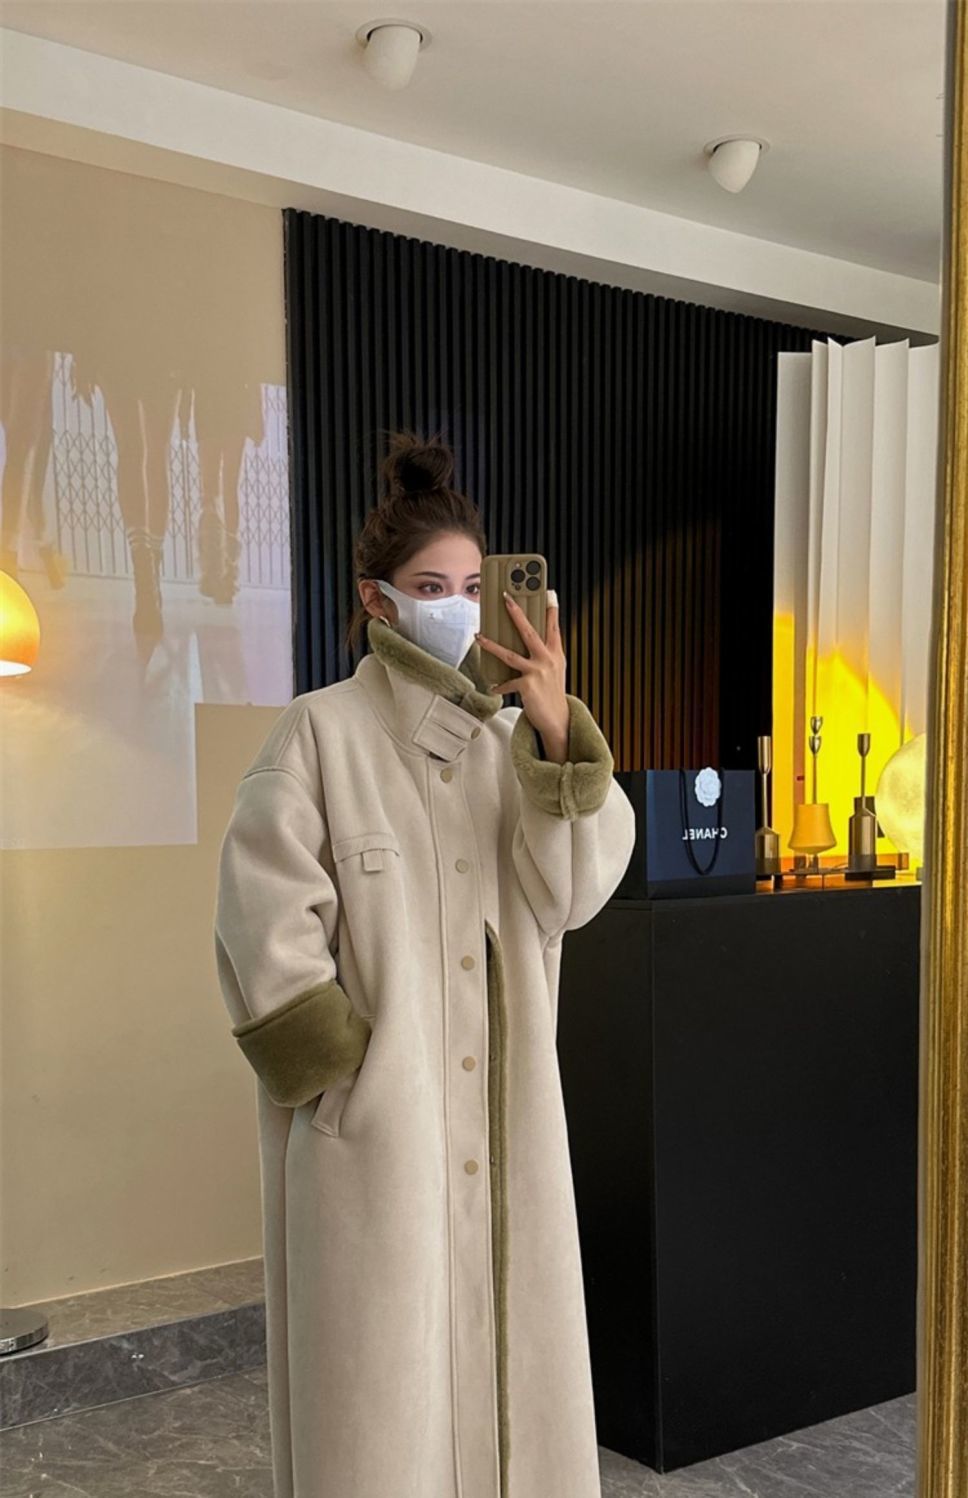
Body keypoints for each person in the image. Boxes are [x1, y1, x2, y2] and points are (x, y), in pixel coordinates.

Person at [213, 430, 637, 1498]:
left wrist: (556, 735)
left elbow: (575, 893)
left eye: (471, 587)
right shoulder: (319, 735)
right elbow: (262, 919)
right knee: (380, 1406)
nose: (455, 607)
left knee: (512, 1392)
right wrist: (349, 1077)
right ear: (379, 600)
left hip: (508, 1130)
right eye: (431, 588)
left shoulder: (510, 749)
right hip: (379, 1148)